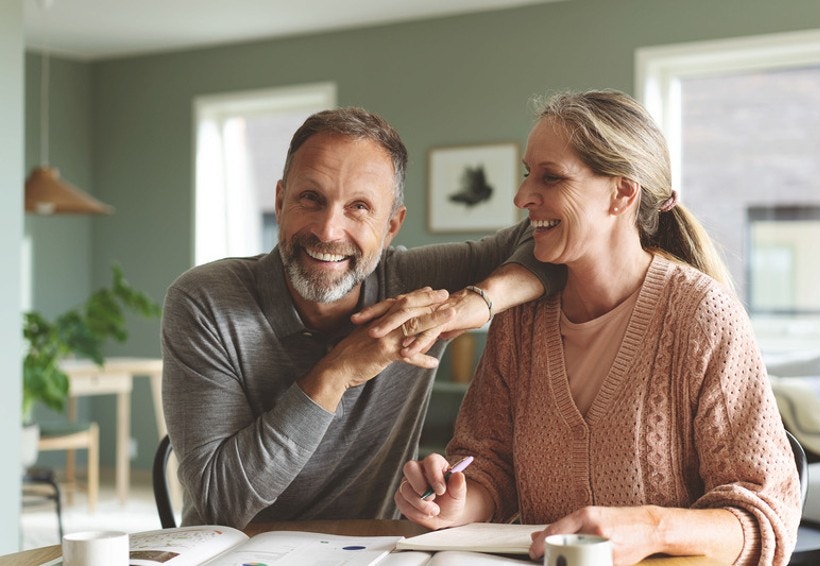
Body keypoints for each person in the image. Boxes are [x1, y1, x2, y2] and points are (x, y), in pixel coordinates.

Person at [394, 90, 802, 565]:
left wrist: (650, 528)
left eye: (551, 177)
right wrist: (462, 500)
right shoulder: (520, 321)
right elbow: (489, 464)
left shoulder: (701, 316)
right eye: (529, 174)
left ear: (622, 193)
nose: (523, 196)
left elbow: (766, 515)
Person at [161, 106, 563, 529]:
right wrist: (337, 372)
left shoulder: (415, 284)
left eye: (358, 207)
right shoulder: (204, 301)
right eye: (310, 198)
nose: (328, 230)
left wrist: (475, 303)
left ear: (392, 227)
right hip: (240, 552)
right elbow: (218, 504)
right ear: (280, 202)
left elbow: (558, 243)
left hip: (372, 552)